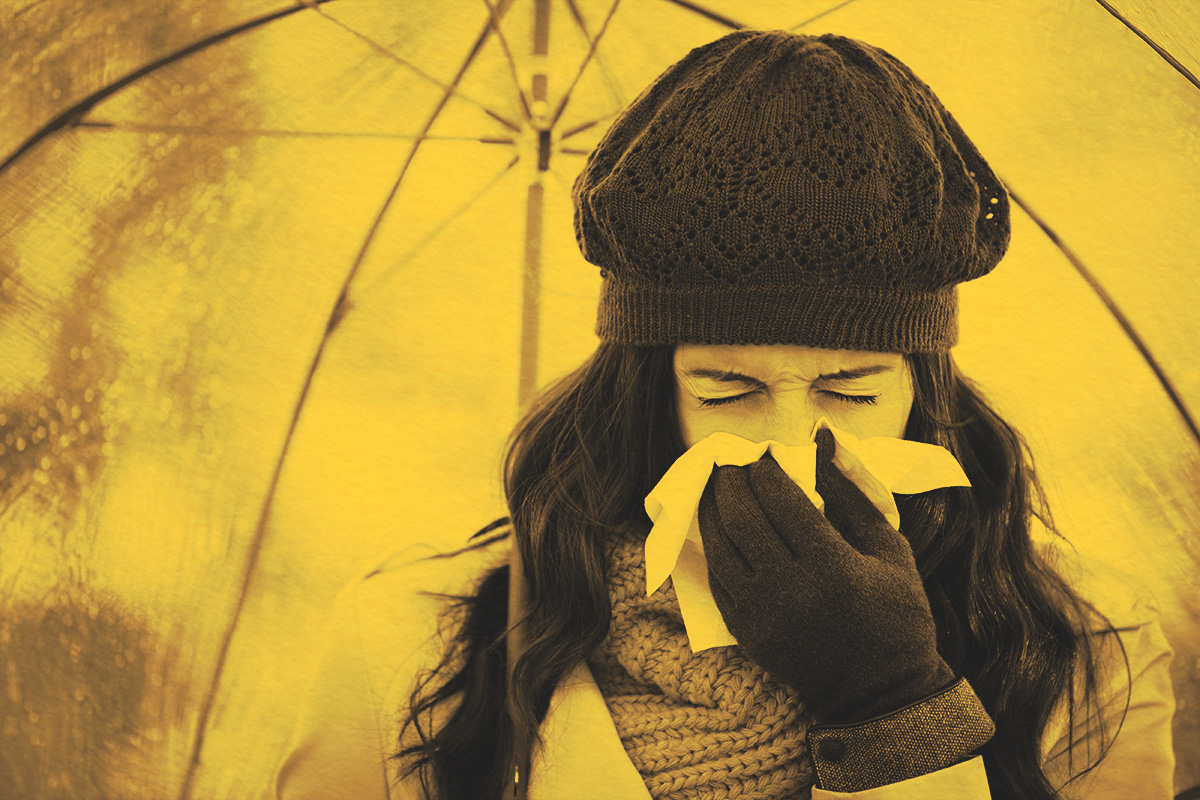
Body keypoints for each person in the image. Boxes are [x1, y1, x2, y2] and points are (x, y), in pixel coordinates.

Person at [273, 30, 1175, 799]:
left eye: (851, 390)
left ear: (923, 393)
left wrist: (899, 710)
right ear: (645, 396)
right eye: (727, 391)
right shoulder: (415, 638)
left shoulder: (1087, 649)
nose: (791, 444)